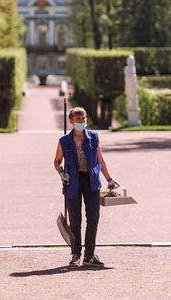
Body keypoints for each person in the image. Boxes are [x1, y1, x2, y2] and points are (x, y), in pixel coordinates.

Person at [53, 107, 118, 266]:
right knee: (75, 220)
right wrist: (61, 173)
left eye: (83, 118)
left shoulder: (94, 138)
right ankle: (75, 254)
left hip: (91, 181)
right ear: (71, 122)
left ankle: (89, 256)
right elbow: (57, 161)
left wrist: (109, 179)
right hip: (72, 182)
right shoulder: (64, 141)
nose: (82, 121)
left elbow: (100, 161)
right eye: (78, 119)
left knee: (93, 218)